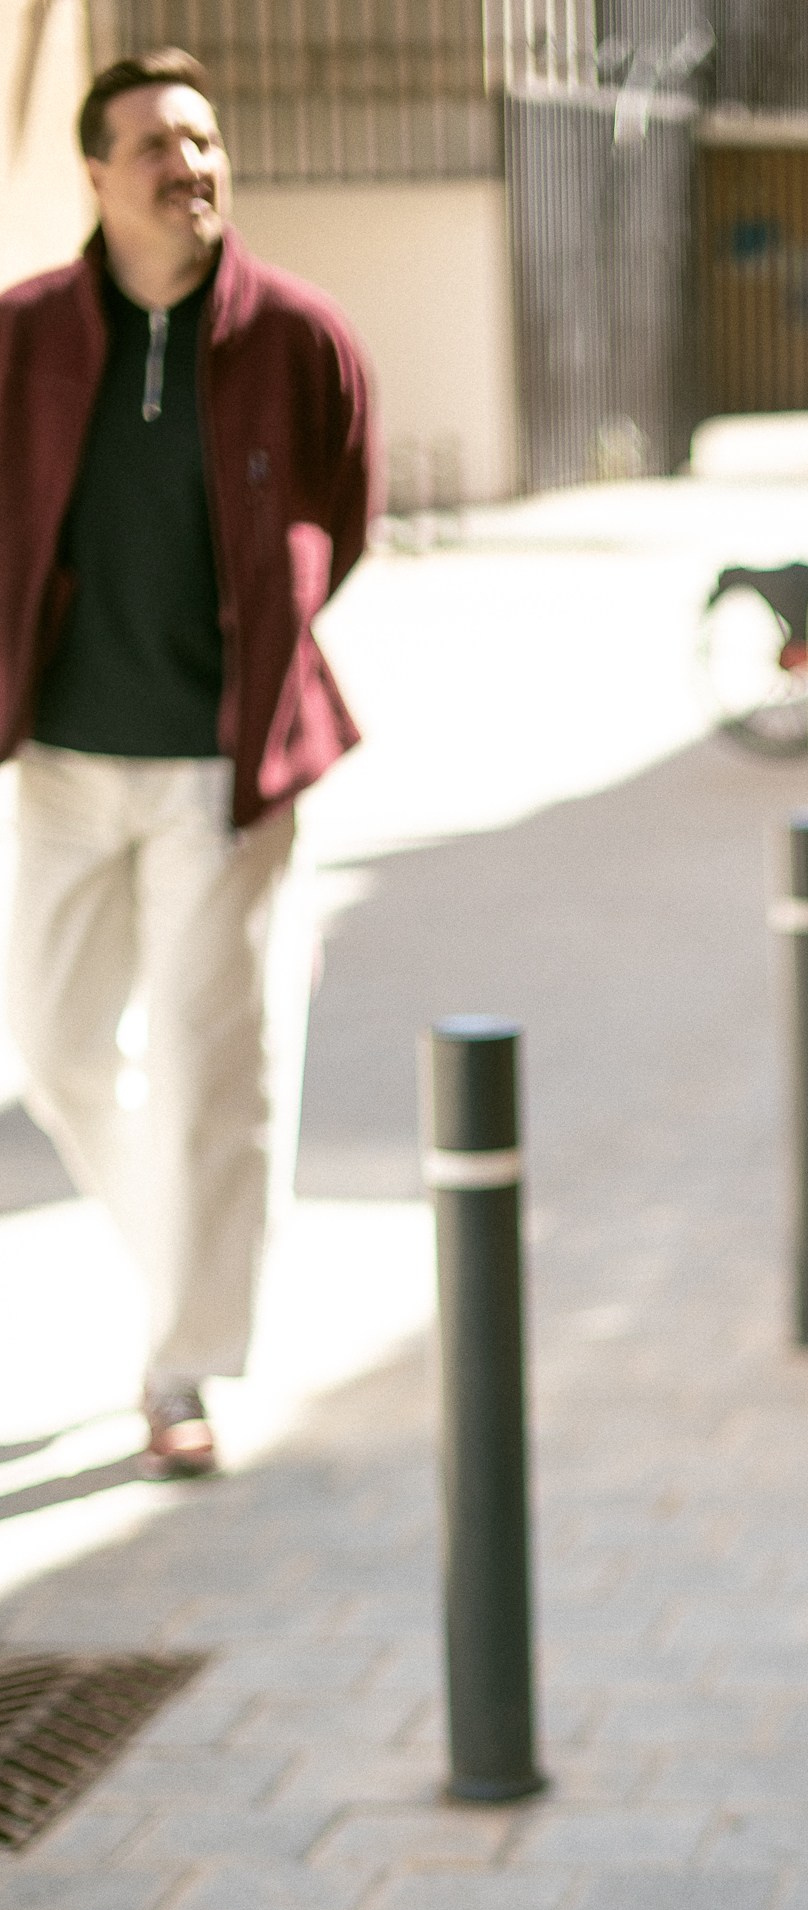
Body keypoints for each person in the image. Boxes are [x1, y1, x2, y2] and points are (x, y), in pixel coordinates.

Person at [0, 48, 375, 1478]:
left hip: (224, 773)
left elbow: (345, 511)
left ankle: (184, 1366)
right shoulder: (23, 334)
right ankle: (192, 1259)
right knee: (53, 1043)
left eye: (204, 139)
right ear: (96, 177)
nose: (189, 164)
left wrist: (256, 652)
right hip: (64, 763)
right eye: (156, 143)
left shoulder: (297, 332)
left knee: (220, 1070)